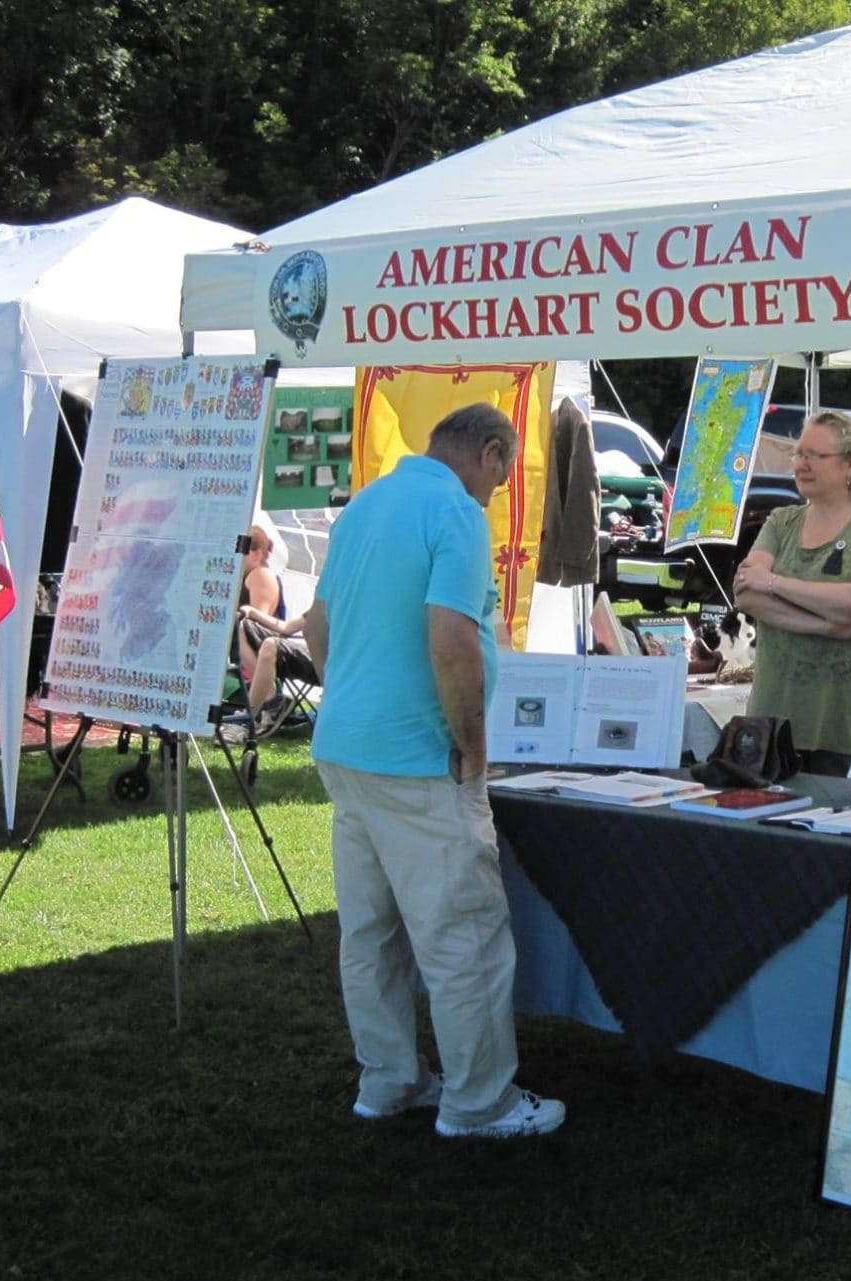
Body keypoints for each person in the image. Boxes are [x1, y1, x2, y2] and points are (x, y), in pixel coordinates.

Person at [300, 403, 565, 1140]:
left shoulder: (367, 503)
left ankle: (388, 1079)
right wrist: (471, 743)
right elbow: (452, 639)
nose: (498, 490)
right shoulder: (455, 512)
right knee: (463, 939)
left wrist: (350, 694)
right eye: (503, 474)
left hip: (347, 747)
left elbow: (317, 624)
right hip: (419, 759)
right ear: (490, 452)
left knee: (370, 934)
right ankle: (480, 1102)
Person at [732, 410, 851, 775]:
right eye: (799, 453)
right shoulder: (782, 521)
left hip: (847, 726)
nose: (802, 464)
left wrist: (775, 583)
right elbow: (746, 595)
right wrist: (825, 626)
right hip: (774, 723)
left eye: (816, 455)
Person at [235, 527, 312, 737]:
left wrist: (249, 614)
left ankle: (267, 700)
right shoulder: (324, 604)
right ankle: (265, 703)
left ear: (256, 553)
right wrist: (249, 611)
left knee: (244, 628)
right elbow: (286, 626)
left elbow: (258, 625)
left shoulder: (259, 574)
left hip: (268, 647)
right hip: (280, 645)